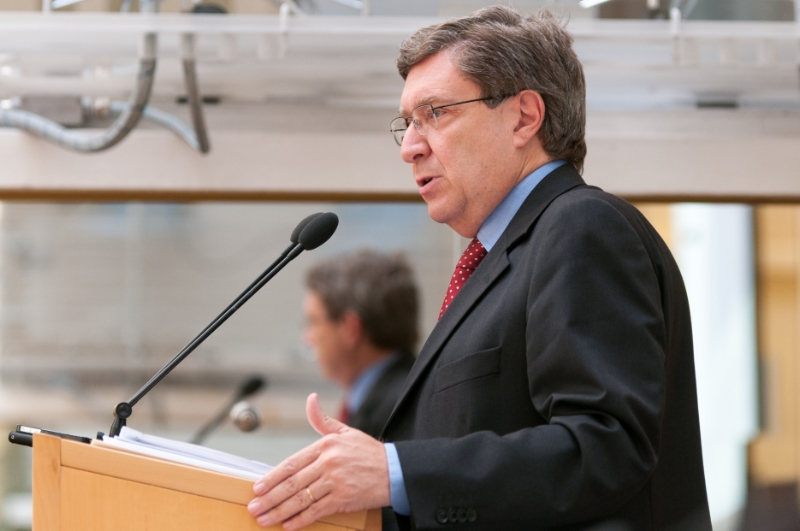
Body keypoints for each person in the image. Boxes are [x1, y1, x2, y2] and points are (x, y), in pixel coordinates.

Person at [247, 6, 712, 531]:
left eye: (434, 113)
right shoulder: (499, 259)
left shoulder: (581, 226)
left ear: (524, 117)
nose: (410, 147)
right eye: (407, 123)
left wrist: (396, 471)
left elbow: (606, 448)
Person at [303, 250, 417, 438]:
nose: (307, 338)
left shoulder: (398, 412)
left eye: (313, 322)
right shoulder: (401, 391)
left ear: (350, 329)